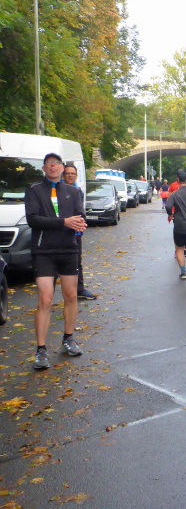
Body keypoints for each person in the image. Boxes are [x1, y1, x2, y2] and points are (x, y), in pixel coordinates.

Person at [26, 153, 87, 370]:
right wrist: (64, 222)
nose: (53, 167)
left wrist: (80, 224)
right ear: (44, 168)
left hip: (68, 250)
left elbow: (80, 216)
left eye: (57, 163)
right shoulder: (34, 190)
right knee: (45, 299)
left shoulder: (73, 191)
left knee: (71, 295)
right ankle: (41, 350)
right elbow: (33, 219)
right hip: (44, 251)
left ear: (62, 168)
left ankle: (68, 338)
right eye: (49, 164)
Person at [62, 164, 97, 300]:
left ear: (76, 176)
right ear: (63, 175)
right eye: (67, 173)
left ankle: (79, 289)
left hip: (75, 232)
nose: (70, 176)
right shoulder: (57, 190)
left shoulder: (78, 191)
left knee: (76, 261)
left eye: (73, 173)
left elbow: (79, 211)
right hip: (59, 231)